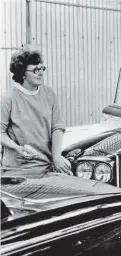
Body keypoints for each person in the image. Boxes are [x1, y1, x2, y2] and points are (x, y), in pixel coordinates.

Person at [1, 46, 71, 178]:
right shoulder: (8, 98)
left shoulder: (49, 94)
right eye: (35, 70)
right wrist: (17, 148)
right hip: (19, 170)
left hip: (48, 166)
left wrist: (57, 157)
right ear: (22, 73)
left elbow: (57, 127)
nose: (41, 73)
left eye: (42, 68)